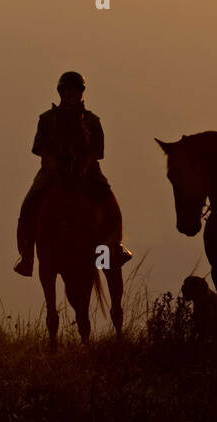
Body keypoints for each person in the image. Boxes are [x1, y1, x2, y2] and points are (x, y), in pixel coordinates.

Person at [13, 71, 134, 277]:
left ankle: (117, 247)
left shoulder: (92, 120)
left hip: (87, 171)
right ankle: (27, 257)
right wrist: (55, 163)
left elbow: (97, 150)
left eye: (75, 92)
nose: (72, 95)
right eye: (68, 91)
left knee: (109, 201)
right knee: (28, 205)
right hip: (52, 171)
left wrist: (84, 166)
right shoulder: (47, 118)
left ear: (81, 94)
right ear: (62, 93)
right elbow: (39, 147)